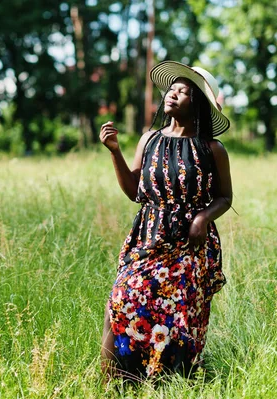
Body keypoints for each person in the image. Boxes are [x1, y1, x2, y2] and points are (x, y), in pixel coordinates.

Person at [99, 61, 233, 381]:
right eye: (171, 89)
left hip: (189, 244)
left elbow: (225, 197)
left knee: (179, 317)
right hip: (147, 237)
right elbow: (135, 191)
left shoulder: (212, 149)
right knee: (120, 300)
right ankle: (110, 382)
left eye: (183, 91)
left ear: (197, 104)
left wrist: (202, 218)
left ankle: (171, 381)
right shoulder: (150, 140)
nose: (172, 94)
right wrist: (115, 152)